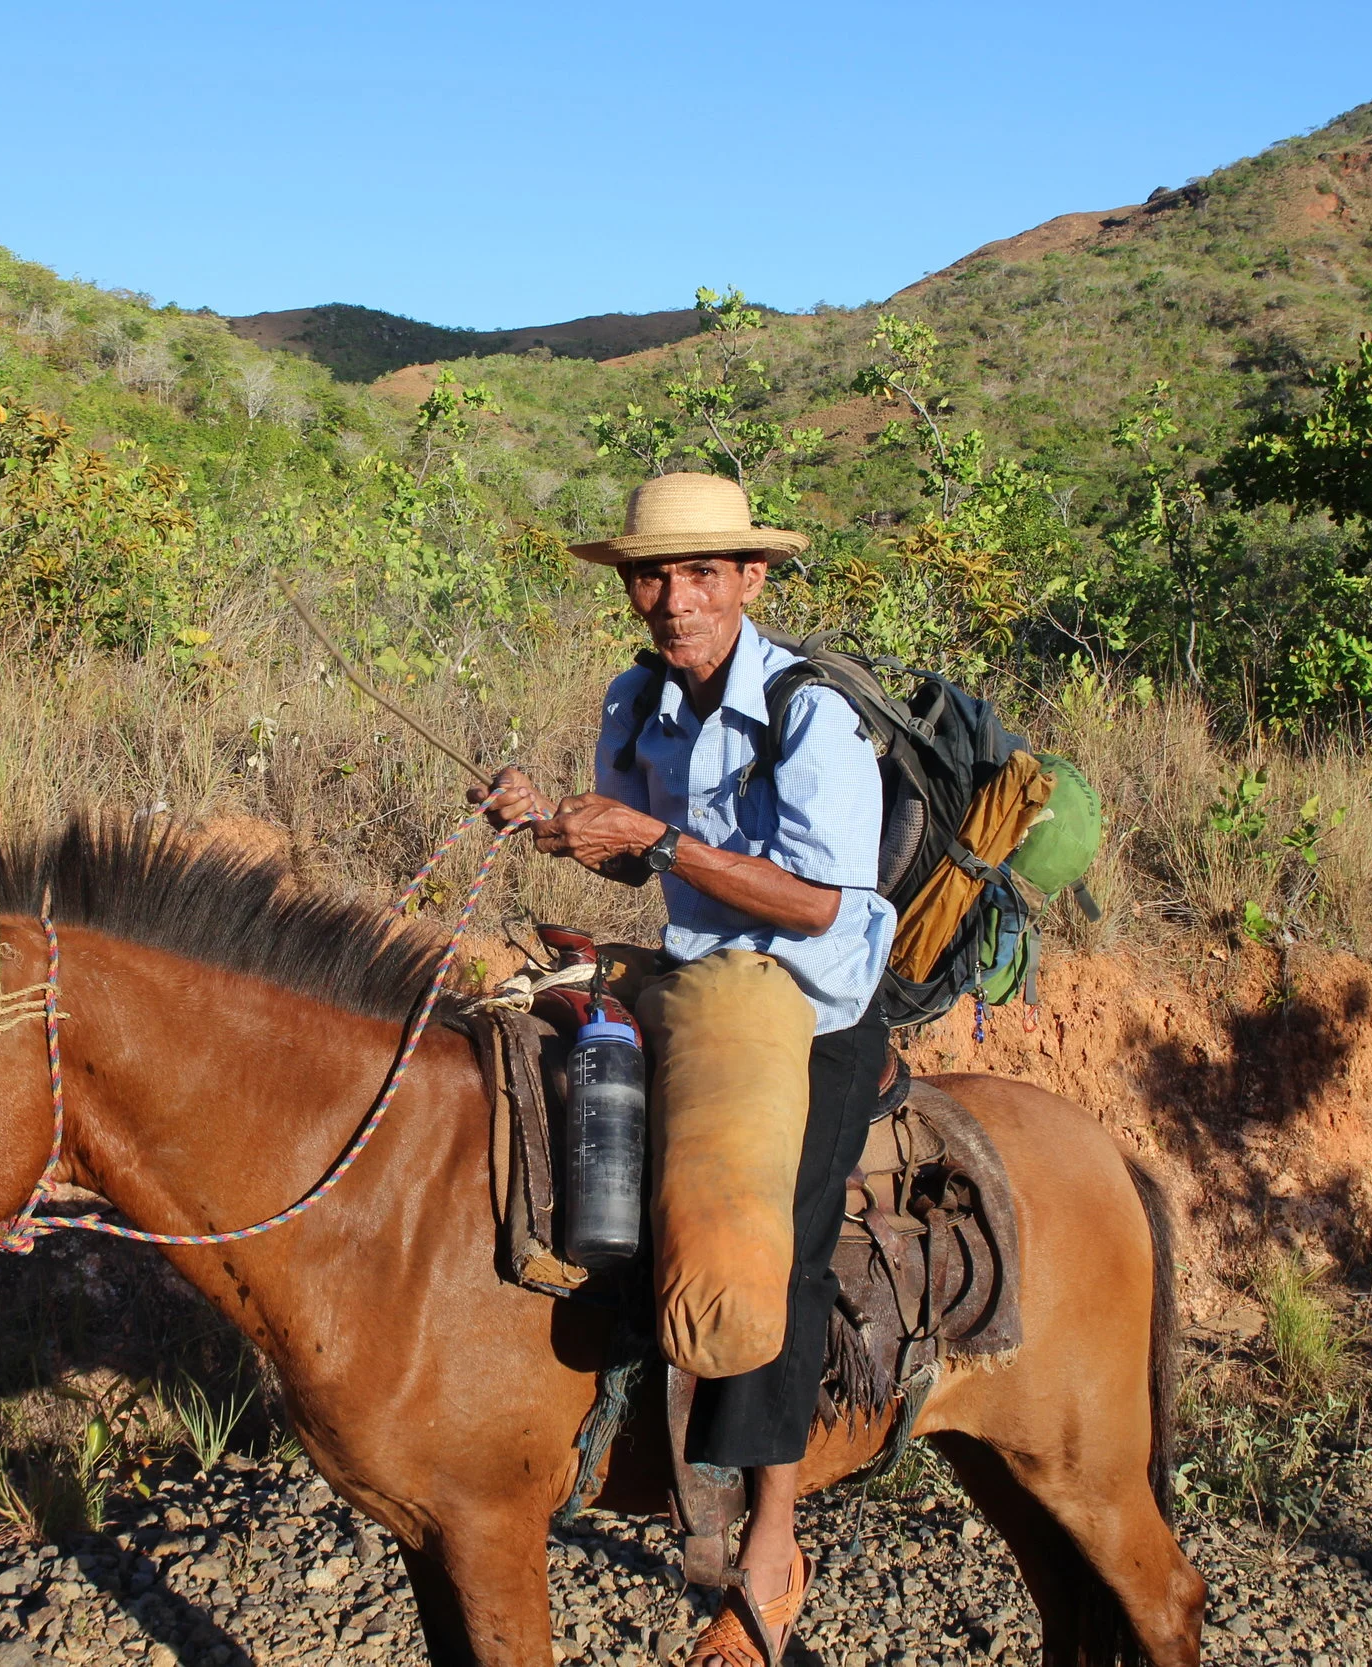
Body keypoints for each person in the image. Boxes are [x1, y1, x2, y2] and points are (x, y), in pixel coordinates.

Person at [469, 472, 895, 1667]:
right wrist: (552, 821)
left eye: (701, 572)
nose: (673, 599)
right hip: (700, 971)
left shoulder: (809, 712)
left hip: (812, 1000)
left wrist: (654, 838)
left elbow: (821, 903)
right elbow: (630, 857)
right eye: (651, 576)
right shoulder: (637, 697)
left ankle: (770, 1543)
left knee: (772, 1232)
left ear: (750, 578)